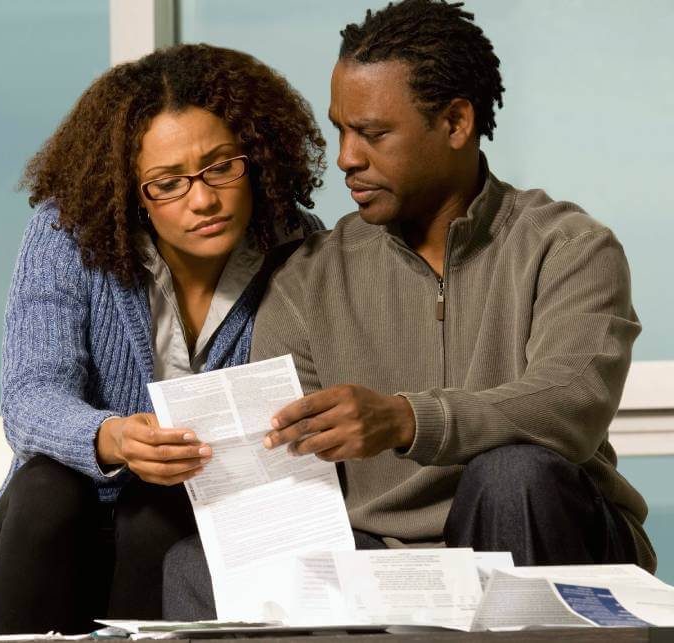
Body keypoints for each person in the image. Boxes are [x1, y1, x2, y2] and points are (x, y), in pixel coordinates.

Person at [162, 0, 656, 620]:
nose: (346, 157)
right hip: (387, 565)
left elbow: (569, 403)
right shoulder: (308, 276)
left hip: (545, 534)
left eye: (372, 134)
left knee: (513, 476)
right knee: (193, 564)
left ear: (455, 122)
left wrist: (405, 420)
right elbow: (283, 473)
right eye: (341, 129)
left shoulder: (567, 247)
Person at [0, 43, 325, 640]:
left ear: (257, 158)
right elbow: (30, 398)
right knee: (47, 484)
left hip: (193, 523)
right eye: (166, 183)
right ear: (130, 191)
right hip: (56, 526)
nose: (203, 199)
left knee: (159, 507)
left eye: (221, 167)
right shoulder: (68, 238)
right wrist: (110, 438)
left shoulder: (298, 246)